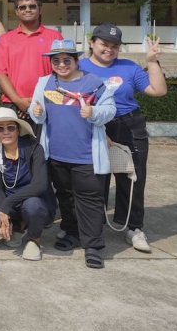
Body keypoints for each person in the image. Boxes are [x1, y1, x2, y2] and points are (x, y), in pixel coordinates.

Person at [80, 23, 167, 253]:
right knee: (94, 179)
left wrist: (151, 61)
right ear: (92, 43)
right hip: (94, 125)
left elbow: (158, 91)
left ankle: (133, 227)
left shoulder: (129, 67)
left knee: (132, 178)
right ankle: (93, 225)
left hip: (129, 125)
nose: (108, 49)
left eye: (114, 46)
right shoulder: (79, 67)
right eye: (103, 44)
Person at [31, 39, 118, 269]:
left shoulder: (94, 83)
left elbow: (110, 110)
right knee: (65, 197)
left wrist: (94, 111)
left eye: (66, 60)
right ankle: (72, 232)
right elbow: (37, 112)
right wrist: (36, 111)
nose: (61, 64)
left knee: (89, 200)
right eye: (56, 60)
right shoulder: (45, 82)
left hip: (86, 156)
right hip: (57, 155)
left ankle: (94, 247)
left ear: (76, 60)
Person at [0, 107, 54, 262]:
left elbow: (40, 185)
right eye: (0, 129)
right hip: (9, 200)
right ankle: (16, 226)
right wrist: (4, 213)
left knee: (33, 207)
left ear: (18, 130)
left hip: (34, 198)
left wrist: (5, 207)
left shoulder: (34, 148)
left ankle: (34, 239)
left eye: (11, 128)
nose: (6, 132)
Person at [0, 0, 64, 122]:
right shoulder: (5, 39)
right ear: (16, 11)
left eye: (32, 6)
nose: (27, 10)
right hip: (13, 104)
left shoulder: (55, 37)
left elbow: (63, 71)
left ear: (40, 9)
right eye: (22, 7)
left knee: (46, 143)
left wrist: (40, 101)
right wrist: (19, 101)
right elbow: (0, 74)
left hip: (47, 103)